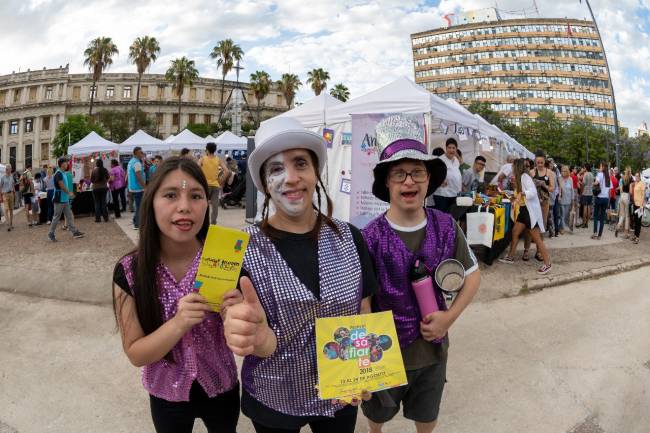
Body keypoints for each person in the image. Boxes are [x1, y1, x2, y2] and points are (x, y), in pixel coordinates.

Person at [223, 116, 376, 433]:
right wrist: (254, 337)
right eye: (276, 169)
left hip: (340, 395)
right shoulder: (241, 249)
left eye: (300, 164)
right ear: (265, 184)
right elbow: (234, 313)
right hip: (273, 396)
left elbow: (363, 311)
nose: (291, 178)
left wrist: (364, 372)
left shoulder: (351, 238)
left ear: (315, 172)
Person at [360, 129, 480, 433]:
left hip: (432, 352)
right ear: (386, 182)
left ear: (429, 180)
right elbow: (362, 300)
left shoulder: (447, 226)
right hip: (383, 353)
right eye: (399, 174)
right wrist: (363, 363)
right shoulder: (369, 237)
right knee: (377, 416)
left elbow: (473, 276)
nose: (409, 181)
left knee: (427, 416)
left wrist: (448, 319)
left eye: (417, 172)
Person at [112, 157, 240, 433]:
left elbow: (245, 338)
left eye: (196, 196)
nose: (184, 206)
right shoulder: (130, 271)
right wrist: (179, 322)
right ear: (151, 201)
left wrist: (240, 318)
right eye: (171, 195)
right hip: (166, 392)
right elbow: (136, 353)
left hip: (221, 386)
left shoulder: (226, 257)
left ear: (207, 204)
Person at [500, 158, 552, 274]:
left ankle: (547, 264)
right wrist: (515, 197)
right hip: (524, 210)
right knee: (515, 232)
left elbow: (532, 192)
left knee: (537, 239)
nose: (512, 169)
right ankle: (510, 256)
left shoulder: (525, 177)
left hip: (530, 213)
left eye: (513, 166)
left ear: (517, 167)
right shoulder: (519, 178)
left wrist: (522, 193)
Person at [48, 157, 84, 242]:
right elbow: (61, 186)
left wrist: (68, 194)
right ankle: (51, 234)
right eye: (66, 162)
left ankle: (74, 232)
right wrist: (69, 193)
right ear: (62, 164)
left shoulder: (63, 173)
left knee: (69, 216)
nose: (67, 164)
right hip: (59, 198)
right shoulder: (58, 173)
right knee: (56, 217)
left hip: (64, 199)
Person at [198, 142, 229, 225]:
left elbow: (196, 169)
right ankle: (213, 223)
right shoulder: (217, 159)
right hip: (215, 185)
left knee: (204, 205)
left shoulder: (203, 159)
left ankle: (204, 223)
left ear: (207, 150)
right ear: (215, 150)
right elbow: (227, 171)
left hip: (205, 185)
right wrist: (221, 180)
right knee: (215, 206)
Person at [431, 138, 461, 213]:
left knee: (451, 217)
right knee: (442, 217)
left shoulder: (456, 160)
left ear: (456, 149)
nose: (451, 150)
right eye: (449, 148)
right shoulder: (440, 160)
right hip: (442, 195)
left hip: (454, 194)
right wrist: (439, 182)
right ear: (446, 148)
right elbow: (432, 174)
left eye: (453, 148)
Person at [128, 147, 147, 230]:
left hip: (133, 187)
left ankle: (136, 221)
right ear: (135, 153)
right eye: (140, 152)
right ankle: (137, 224)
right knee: (140, 206)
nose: (142, 154)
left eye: (142, 152)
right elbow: (138, 177)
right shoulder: (136, 163)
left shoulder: (131, 161)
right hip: (138, 188)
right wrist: (145, 187)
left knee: (138, 205)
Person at [592, 161, 611, 240]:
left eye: (600, 166)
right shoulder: (608, 176)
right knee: (602, 217)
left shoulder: (599, 175)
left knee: (596, 216)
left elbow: (596, 183)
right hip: (606, 198)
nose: (599, 168)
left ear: (603, 167)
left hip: (599, 197)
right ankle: (600, 235)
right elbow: (610, 190)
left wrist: (592, 183)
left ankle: (595, 233)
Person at [615, 167, 633, 238]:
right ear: (630, 172)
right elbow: (631, 192)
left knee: (622, 215)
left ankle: (618, 226)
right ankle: (626, 233)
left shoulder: (622, 178)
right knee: (627, 216)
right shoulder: (631, 179)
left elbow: (621, 190)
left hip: (621, 196)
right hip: (627, 197)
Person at [558, 165, 575, 234]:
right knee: (562, 215)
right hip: (561, 199)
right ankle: (562, 228)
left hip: (568, 200)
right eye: (562, 171)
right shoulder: (559, 178)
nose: (563, 172)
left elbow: (572, 190)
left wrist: (573, 200)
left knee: (565, 215)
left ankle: (561, 227)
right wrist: (559, 196)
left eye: (565, 171)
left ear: (567, 172)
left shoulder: (570, 179)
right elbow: (559, 189)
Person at [630, 172, 646, 244]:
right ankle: (635, 235)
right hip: (635, 204)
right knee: (635, 220)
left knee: (638, 221)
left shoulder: (642, 184)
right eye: (635, 176)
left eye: (637, 176)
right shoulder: (635, 183)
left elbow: (643, 195)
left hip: (640, 205)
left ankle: (637, 237)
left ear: (639, 177)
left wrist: (642, 205)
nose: (636, 177)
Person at [0, 164, 15, 231]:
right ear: (6, 170)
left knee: (11, 209)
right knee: (6, 209)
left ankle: (11, 223)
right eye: (9, 169)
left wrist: (14, 192)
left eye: (11, 169)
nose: (10, 170)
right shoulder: (3, 177)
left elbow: (13, 184)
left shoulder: (11, 176)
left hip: (11, 194)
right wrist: (1, 196)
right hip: (5, 194)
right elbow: (0, 186)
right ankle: (8, 224)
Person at [580, 163, 594, 228]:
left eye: (584, 167)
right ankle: (587, 223)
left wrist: (580, 182)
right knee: (589, 208)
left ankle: (584, 222)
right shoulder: (592, 174)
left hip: (585, 192)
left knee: (585, 208)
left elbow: (584, 183)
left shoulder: (585, 174)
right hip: (590, 193)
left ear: (586, 168)